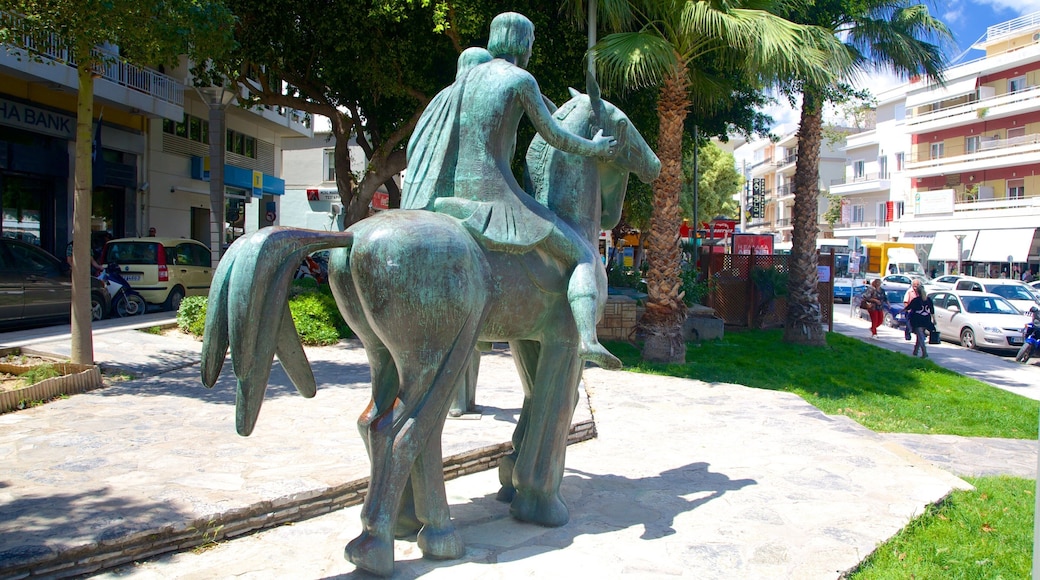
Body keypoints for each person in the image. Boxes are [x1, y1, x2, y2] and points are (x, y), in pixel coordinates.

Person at [401, 12, 620, 369]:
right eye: (531, 41)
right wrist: (594, 149)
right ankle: (589, 340)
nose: (531, 49)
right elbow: (555, 136)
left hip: (450, 198)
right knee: (581, 253)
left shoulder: (458, 86)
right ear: (522, 42)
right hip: (496, 199)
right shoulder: (519, 79)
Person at [907, 287, 935, 358]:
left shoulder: (916, 300)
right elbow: (932, 310)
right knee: (919, 336)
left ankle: (924, 352)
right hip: (926, 320)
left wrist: (902, 311)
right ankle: (915, 351)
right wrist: (934, 320)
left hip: (917, 320)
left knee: (920, 336)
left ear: (917, 293)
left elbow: (909, 307)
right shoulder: (929, 300)